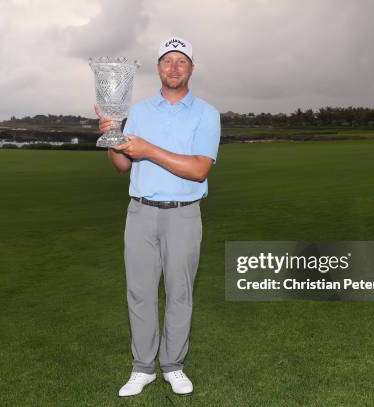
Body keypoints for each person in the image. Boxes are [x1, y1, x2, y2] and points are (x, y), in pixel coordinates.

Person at [95, 36, 220, 397]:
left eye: (181, 61)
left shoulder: (206, 114)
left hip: (183, 214)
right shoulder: (140, 111)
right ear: (158, 68)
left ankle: (173, 365)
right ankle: (143, 367)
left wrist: (148, 149)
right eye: (167, 61)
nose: (174, 67)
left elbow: (199, 170)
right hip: (140, 213)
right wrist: (112, 136)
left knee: (180, 293)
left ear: (191, 68)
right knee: (140, 293)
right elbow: (122, 166)